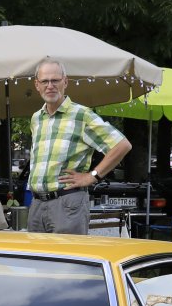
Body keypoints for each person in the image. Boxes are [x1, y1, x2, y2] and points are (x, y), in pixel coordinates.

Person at [26, 58, 133, 234]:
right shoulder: (37, 118)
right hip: (37, 204)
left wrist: (92, 176)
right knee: (38, 253)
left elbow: (122, 145)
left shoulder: (81, 115)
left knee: (67, 253)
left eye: (55, 80)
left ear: (65, 82)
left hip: (67, 203)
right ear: (37, 85)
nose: (50, 86)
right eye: (45, 81)